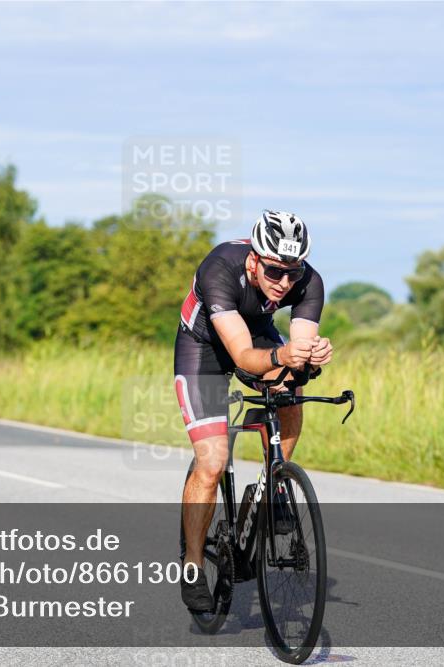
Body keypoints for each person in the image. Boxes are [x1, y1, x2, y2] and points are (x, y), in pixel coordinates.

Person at [174, 210, 333, 612]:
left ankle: (275, 482)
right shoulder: (220, 269)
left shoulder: (308, 282)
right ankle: (192, 564)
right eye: (275, 272)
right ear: (254, 260)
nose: (284, 284)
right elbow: (244, 356)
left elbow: (295, 349)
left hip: (256, 329)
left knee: (289, 391)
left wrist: (309, 359)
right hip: (206, 344)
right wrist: (283, 354)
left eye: (292, 274)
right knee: (211, 463)